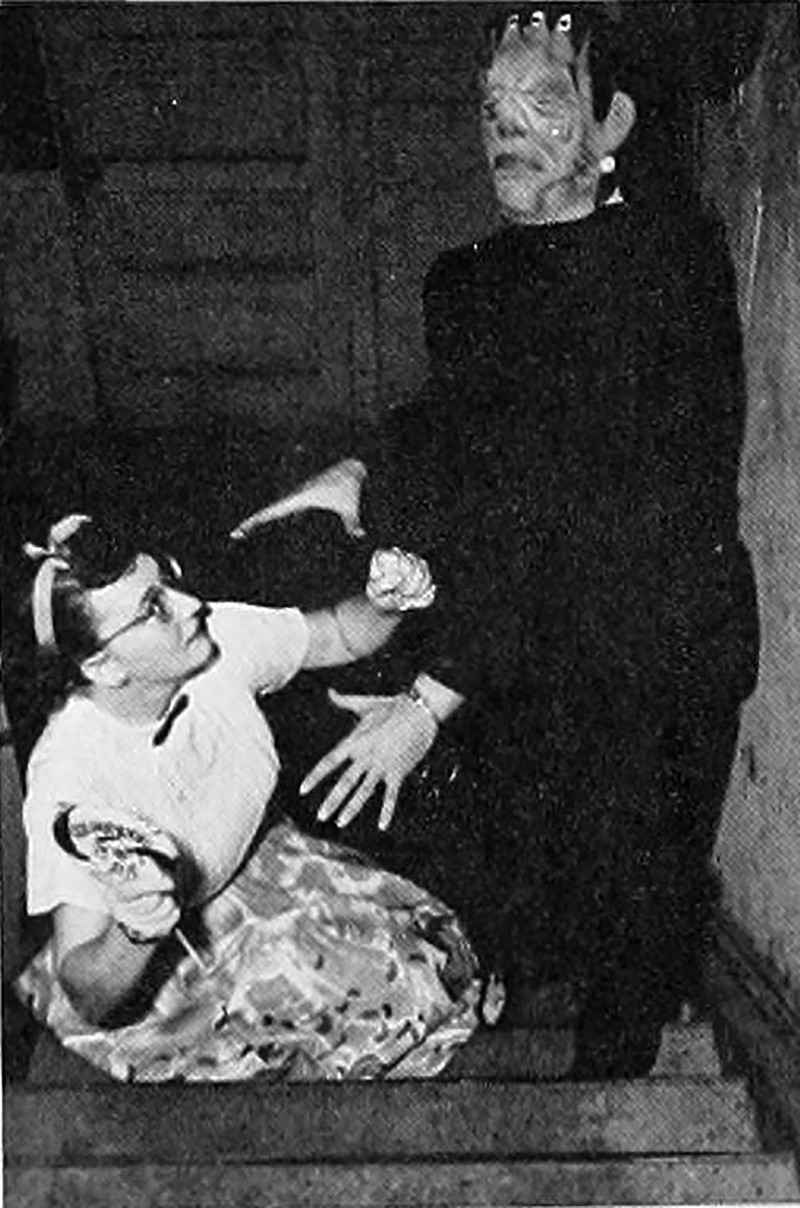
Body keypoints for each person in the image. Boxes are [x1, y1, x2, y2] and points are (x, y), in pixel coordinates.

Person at [232, 1, 760, 1078]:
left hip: (651, 643)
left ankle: (608, 1091)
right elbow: (465, 424)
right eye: (490, 106)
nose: (505, 127)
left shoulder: (669, 270)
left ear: (611, 123)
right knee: (538, 843)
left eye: (543, 100)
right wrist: (366, 471)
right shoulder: (465, 281)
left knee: (634, 895)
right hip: (529, 633)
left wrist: (431, 701)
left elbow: (584, 500)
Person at [13, 513, 492, 1083]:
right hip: (170, 952)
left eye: (169, 580)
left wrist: (384, 602)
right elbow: (88, 991)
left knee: (433, 959)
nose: (190, 605)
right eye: (154, 608)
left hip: (254, 862)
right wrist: (138, 928)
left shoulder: (214, 639)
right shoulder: (69, 773)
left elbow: (339, 633)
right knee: (384, 1005)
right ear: (102, 666)